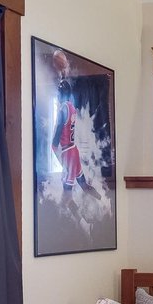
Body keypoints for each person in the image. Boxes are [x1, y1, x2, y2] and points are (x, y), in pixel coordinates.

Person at [49, 49, 98, 199]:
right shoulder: (71, 107)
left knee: (67, 194)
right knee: (83, 185)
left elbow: (57, 134)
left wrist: (55, 153)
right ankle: (102, 202)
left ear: (60, 94)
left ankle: (81, 222)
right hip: (73, 149)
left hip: (67, 153)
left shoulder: (63, 108)